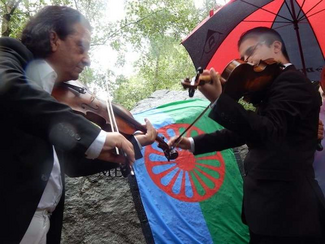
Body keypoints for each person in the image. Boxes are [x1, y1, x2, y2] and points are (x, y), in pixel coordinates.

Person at [0, 5, 156, 244]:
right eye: (81, 46)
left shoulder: (49, 95)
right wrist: (97, 137)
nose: (88, 60)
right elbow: (9, 90)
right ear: (53, 39)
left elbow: (71, 163)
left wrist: (133, 142)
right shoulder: (7, 54)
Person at [169, 27, 325, 243]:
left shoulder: (292, 82)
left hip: (289, 213)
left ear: (276, 46)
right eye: (242, 58)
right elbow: (242, 132)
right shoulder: (271, 88)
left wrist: (219, 101)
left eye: (250, 53)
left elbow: (265, 131)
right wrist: (191, 142)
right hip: (270, 212)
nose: (246, 63)